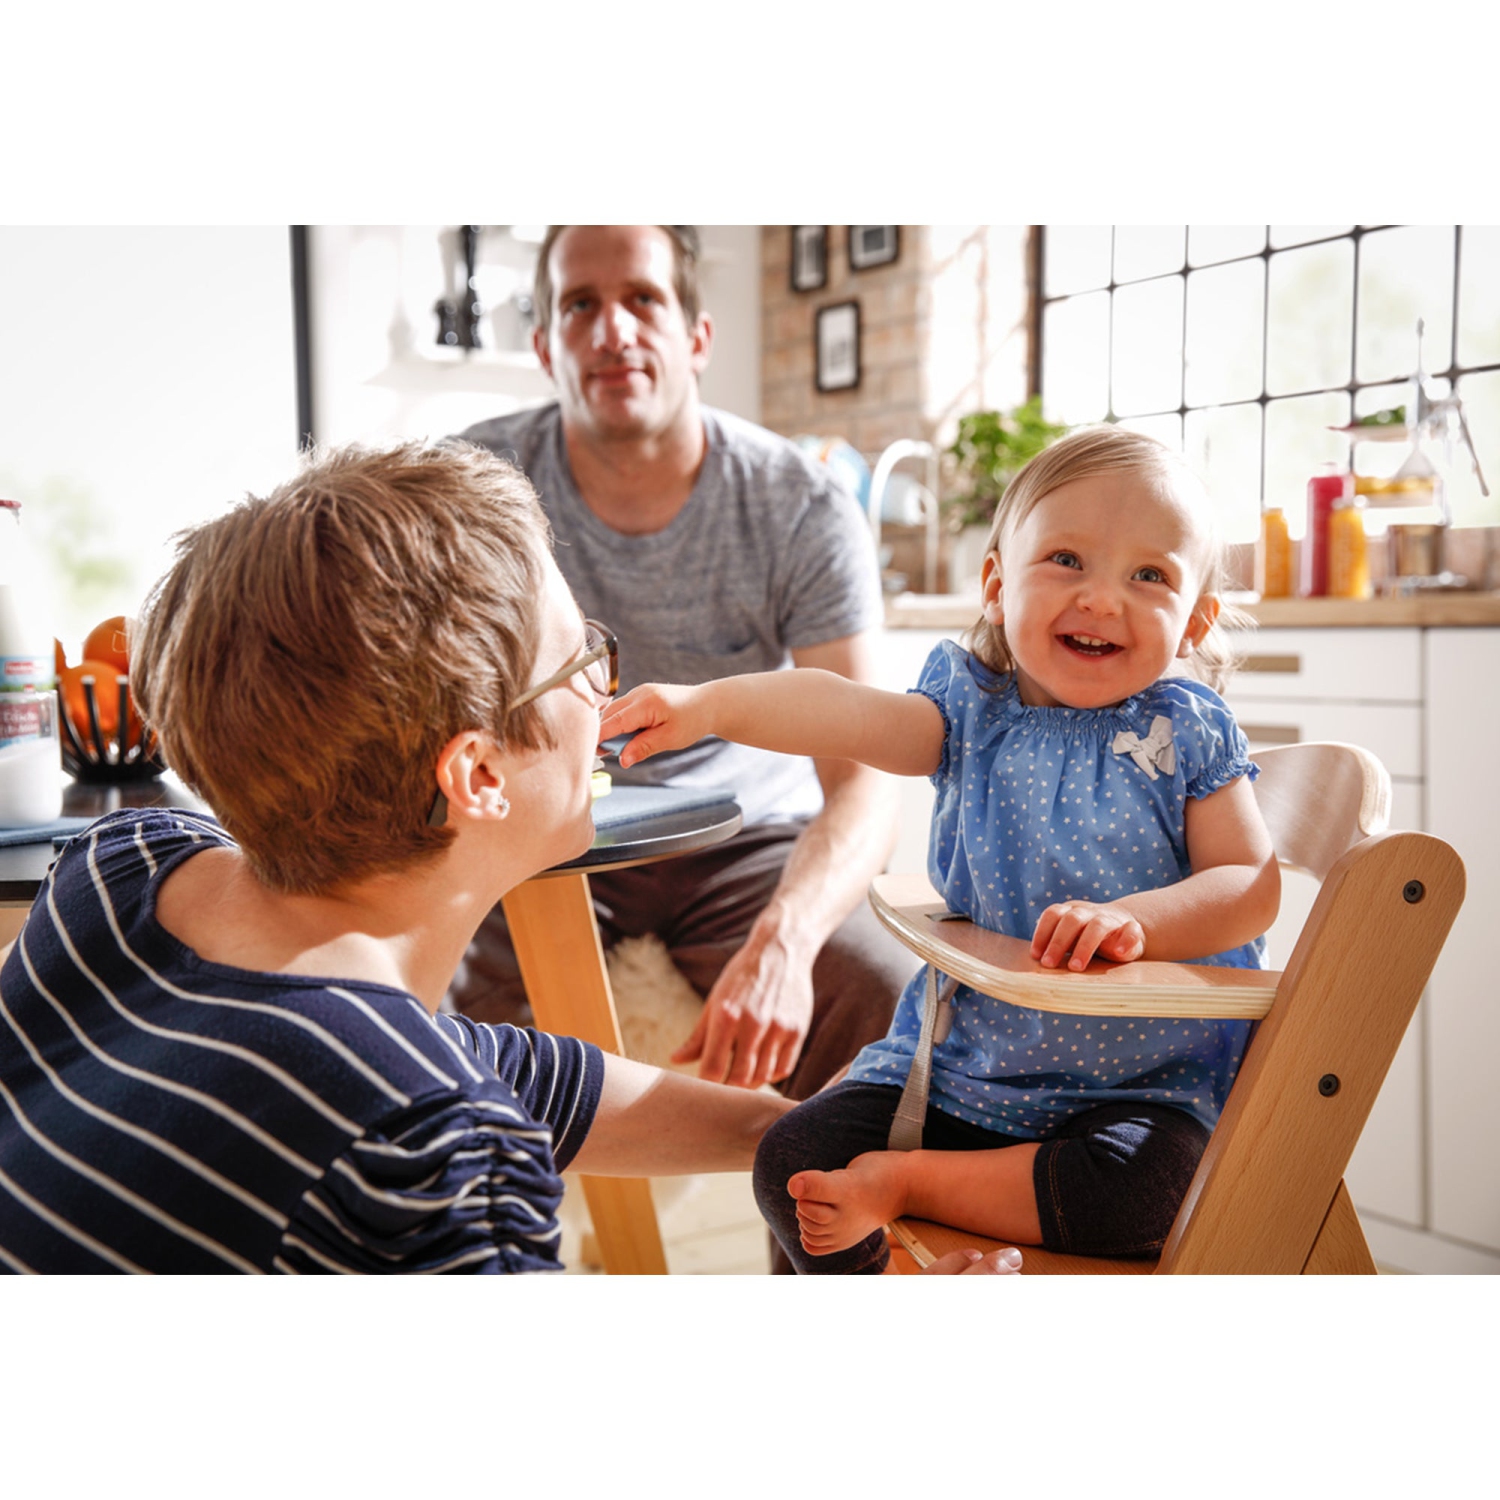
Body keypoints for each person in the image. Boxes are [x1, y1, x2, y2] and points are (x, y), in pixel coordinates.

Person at [0, 440, 1016, 1276]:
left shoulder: (119, 870)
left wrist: (781, 1133)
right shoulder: (437, 1157)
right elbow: (432, 1093)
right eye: (582, 664)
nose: (604, 696)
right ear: (478, 773)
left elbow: (487, 1063)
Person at [600, 425, 1281, 1273]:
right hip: (964, 1073)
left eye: (1150, 575)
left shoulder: (1186, 729)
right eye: (1066, 560)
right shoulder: (966, 712)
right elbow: (838, 707)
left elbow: (1249, 884)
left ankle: (914, 1185)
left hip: (1138, 1094)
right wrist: (712, 706)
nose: (1103, 599)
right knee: (791, 1163)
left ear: (1195, 621)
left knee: (1154, 1196)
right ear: (997, 584)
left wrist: (1132, 921)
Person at [450, 224, 910, 1113]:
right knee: (446, 1039)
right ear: (545, 347)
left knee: (880, 997)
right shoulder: (475, 483)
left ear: (696, 337)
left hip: (744, 841)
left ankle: (827, 1241)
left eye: (643, 299)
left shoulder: (801, 506)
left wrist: (787, 938)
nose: (613, 330)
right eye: (580, 305)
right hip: (545, 833)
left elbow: (866, 781)